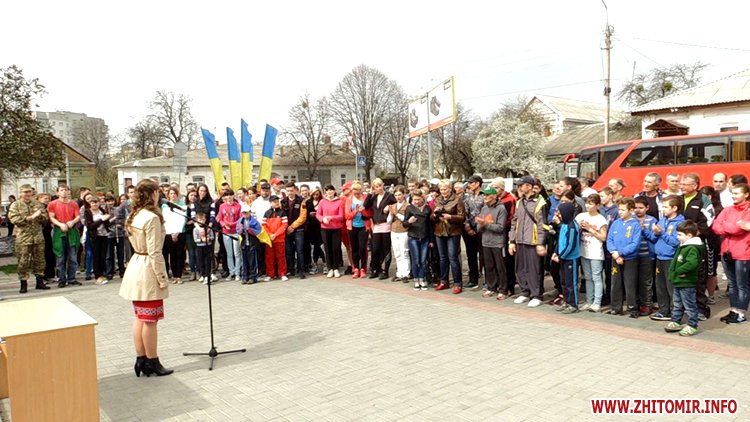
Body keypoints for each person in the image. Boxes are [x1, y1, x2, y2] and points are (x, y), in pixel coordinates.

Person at [119, 179, 173, 377]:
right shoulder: (151, 218)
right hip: (147, 270)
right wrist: (162, 277)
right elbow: (155, 252)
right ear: (153, 194)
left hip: (136, 265)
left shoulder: (135, 215)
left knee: (141, 317)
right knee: (150, 319)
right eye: (157, 192)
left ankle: (141, 358)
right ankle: (152, 360)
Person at [712, 183, 750, 324]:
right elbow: (716, 226)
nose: (734, 196)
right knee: (732, 284)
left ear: (746, 194)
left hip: (743, 253)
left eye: (737, 193)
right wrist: (731, 226)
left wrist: (726, 225)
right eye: (732, 193)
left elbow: (737, 230)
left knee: (742, 284)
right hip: (726, 251)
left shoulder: (748, 210)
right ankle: (734, 310)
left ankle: (741, 313)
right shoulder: (728, 210)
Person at [509, 176, 548, 307]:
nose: (519, 188)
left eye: (522, 185)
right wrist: (511, 240)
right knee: (520, 268)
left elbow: (542, 225)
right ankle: (524, 292)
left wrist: (540, 243)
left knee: (534, 269)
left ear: (530, 186)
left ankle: (537, 295)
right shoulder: (520, 202)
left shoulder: (540, 202)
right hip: (520, 240)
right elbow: (514, 221)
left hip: (533, 241)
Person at [647, 195, 685, 321]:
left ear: (674, 208)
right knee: (660, 286)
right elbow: (653, 238)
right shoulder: (662, 220)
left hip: (671, 258)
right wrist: (647, 231)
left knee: (671, 287)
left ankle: (675, 312)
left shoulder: (680, 222)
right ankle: (663, 310)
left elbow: (676, 242)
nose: (663, 209)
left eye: (665, 207)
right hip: (659, 257)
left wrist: (661, 233)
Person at [8, 184, 51, 293]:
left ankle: (39, 281)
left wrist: (40, 216)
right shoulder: (15, 205)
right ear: (21, 193)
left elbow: (45, 219)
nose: (27, 194)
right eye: (25, 192)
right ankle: (23, 283)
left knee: (40, 260)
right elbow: (15, 220)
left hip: (37, 237)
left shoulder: (37, 204)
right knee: (23, 261)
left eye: (29, 192)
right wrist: (31, 217)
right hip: (23, 238)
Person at [663, 221, 704, 336]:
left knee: (689, 305)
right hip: (678, 281)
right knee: (677, 303)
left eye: (680, 235)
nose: (677, 237)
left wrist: (679, 271)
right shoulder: (683, 246)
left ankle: (692, 325)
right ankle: (676, 320)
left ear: (689, 235)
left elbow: (692, 263)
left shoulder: (692, 248)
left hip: (687, 282)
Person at [606, 197, 642, 317]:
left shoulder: (635, 225)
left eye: (623, 210)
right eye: (619, 209)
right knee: (615, 283)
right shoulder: (616, 223)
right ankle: (616, 307)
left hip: (630, 259)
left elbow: (635, 244)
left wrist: (621, 253)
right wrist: (614, 253)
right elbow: (609, 239)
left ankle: (633, 308)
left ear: (631, 210)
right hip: (615, 257)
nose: (620, 212)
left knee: (629, 284)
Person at [432, 179, 466, 294]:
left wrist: (450, 217)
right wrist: (435, 214)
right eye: (441, 189)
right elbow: (432, 218)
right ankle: (444, 281)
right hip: (439, 231)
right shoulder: (437, 199)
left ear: (450, 189)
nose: (443, 191)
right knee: (442, 258)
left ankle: (458, 283)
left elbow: (462, 217)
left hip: (453, 231)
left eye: (445, 189)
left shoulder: (457, 199)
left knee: (453, 257)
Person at [576, 194, 608, 312]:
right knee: (587, 277)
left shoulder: (601, 219)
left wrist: (590, 228)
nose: (588, 206)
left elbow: (603, 237)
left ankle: (597, 302)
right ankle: (589, 301)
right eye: (587, 203)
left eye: (591, 203)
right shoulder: (581, 216)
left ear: (597, 205)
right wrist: (580, 228)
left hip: (595, 252)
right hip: (584, 251)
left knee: (596, 277)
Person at [476, 187, 508, 300]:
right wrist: (480, 224)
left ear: (494, 196)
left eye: (487, 195)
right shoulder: (484, 208)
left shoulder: (501, 209)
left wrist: (485, 224)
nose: (484, 197)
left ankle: (503, 289)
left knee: (500, 267)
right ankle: (491, 287)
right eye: (484, 195)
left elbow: (500, 227)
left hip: (497, 243)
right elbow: (478, 228)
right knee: (489, 267)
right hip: (486, 242)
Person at [48, 185, 81, 288]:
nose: (64, 192)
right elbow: (51, 217)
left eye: (66, 190)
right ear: (58, 192)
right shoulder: (53, 204)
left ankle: (72, 278)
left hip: (71, 232)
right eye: (62, 190)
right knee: (60, 257)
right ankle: (61, 279)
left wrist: (73, 222)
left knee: (72, 257)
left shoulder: (73, 203)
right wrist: (60, 224)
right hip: (59, 232)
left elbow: (78, 216)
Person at [551, 202, 581, 314]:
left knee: (571, 283)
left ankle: (573, 304)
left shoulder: (572, 226)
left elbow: (570, 245)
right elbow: (560, 241)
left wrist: (561, 256)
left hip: (570, 259)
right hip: (563, 258)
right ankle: (567, 301)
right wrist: (556, 252)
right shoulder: (563, 225)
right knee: (563, 281)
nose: (558, 215)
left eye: (560, 213)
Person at [403, 189, 432, 291]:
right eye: (414, 199)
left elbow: (430, 225)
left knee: (423, 260)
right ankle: (416, 280)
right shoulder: (409, 208)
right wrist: (409, 221)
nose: (416, 201)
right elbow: (404, 224)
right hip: (413, 237)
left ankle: (422, 278)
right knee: (416, 260)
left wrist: (431, 240)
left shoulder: (427, 208)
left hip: (424, 237)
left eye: (418, 199)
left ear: (422, 198)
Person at [633, 197, 657, 316]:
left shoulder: (652, 220)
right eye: (635, 208)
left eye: (641, 208)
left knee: (646, 282)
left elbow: (654, 237)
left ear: (647, 208)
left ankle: (647, 305)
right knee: (634, 281)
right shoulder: (631, 219)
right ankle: (635, 304)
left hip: (647, 255)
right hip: (633, 255)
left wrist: (643, 230)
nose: (638, 210)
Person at [83, 194, 112, 285]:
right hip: (94, 237)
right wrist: (101, 219)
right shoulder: (88, 212)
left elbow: (107, 223)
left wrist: (108, 219)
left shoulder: (102, 210)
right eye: (92, 202)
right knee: (96, 256)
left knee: (103, 256)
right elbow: (90, 226)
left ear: (99, 203)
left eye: (96, 202)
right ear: (90, 203)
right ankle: (97, 276)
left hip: (104, 235)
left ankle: (103, 274)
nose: (95, 204)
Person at [316, 185, 344, 278]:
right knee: (327, 249)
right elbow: (318, 214)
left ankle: (336, 268)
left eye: (331, 190)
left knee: (336, 248)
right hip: (325, 228)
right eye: (327, 191)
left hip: (336, 228)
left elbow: (341, 216)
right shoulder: (322, 202)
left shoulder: (339, 202)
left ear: (334, 191)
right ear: (325, 192)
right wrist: (323, 219)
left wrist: (331, 217)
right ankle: (330, 268)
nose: (329, 192)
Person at [462, 175, 485, 289]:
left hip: (483, 229)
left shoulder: (485, 196)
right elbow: (465, 213)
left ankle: (488, 280)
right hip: (470, 228)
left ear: (477, 183)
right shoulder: (467, 198)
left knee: (484, 255)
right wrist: (467, 227)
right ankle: (473, 279)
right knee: (471, 255)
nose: (469, 185)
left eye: (471, 183)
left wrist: (482, 224)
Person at [282, 182, 308, 279]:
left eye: (291, 190)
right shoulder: (283, 202)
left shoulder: (301, 201)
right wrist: (287, 227)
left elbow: (303, 217)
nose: (290, 192)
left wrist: (292, 227)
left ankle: (301, 270)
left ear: (295, 190)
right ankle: (291, 270)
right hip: (286, 230)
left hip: (298, 229)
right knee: (289, 251)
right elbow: (281, 216)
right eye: (288, 191)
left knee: (300, 250)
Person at [161, 188, 187, 284]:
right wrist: (171, 233)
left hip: (180, 232)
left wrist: (177, 232)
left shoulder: (182, 205)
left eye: (174, 193)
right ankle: (174, 275)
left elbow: (183, 220)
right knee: (172, 255)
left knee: (179, 254)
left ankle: (179, 276)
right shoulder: (164, 206)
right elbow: (165, 220)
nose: (173, 195)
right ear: (168, 195)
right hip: (169, 233)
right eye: (171, 193)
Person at [344, 181, 370, 278]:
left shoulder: (365, 198)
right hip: (352, 226)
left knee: (363, 248)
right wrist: (356, 211)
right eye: (354, 193)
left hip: (363, 226)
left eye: (358, 193)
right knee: (354, 248)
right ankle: (355, 268)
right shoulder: (349, 199)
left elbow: (369, 214)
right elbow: (347, 216)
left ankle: (363, 268)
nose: (357, 195)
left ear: (361, 191)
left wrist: (363, 211)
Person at [217, 189, 242, 281]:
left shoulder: (238, 206)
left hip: (235, 231)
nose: (229, 197)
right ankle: (231, 272)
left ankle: (238, 272)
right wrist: (224, 225)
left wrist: (231, 224)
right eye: (226, 195)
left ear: (233, 196)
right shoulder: (222, 206)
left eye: (230, 195)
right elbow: (220, 219)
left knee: (237, 253)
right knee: (229, 253)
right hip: (226, 232)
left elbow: (240, 218)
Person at [388, 185, 411, 283]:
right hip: (394, 231)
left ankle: (406, 273)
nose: (398, 197)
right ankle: (399, 273)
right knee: (397, 253)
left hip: (404, 231)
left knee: (404, 252)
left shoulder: (408, 206)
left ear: (404, 195)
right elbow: (388, 220)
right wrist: (391, 214)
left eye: (400, 195)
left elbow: (406, 219)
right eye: (396, 195)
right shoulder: (393, 206)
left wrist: (396, 214)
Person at [236, 204, 260, 284]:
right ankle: (245, 276)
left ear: (250, 212)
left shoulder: (254, 221)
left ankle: (253, 277)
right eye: (243, 213)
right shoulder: (240, 221)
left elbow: (258, 230)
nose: (245, 215)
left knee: (252, 260)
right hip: (244, 243)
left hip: (252, 242)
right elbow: (238, 230)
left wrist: (249, 229)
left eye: (246, 213)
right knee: (244, 260)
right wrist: (240, 230)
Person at [37, 192, 56, 281]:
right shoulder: (38, 208)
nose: (47, 200)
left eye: (48, 199)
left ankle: (50, 274)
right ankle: (43, 275)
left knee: (50, 254)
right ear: (39, 199)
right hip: (41, 233)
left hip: (49, 233)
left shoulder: (49, 208)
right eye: (45, 198)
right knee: (43, 254)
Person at [305, 188, 325, 274]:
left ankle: (325, 264)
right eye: (314, 194)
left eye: (317, 194)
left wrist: (318, 214)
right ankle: (314, 264)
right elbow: (305, 214)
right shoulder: (308, 202)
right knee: (313, 246)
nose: (315, 196)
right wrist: (309, 215)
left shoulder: (323, 201)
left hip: (321, 226)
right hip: (311, 227)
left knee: (322, 246)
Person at [193, 212, 215, 285]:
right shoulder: (195, 229)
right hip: (200, 247)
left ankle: (207, 276)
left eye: (203, 219)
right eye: (199, 220)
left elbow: (212, 237)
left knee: (207, 261)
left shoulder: (208, 228)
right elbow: (195, 240)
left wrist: (209, 239)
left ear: (205, 220)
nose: (201, 221)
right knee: (201, 261)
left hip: (208, 246)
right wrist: (201, 240)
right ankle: (202, 274)